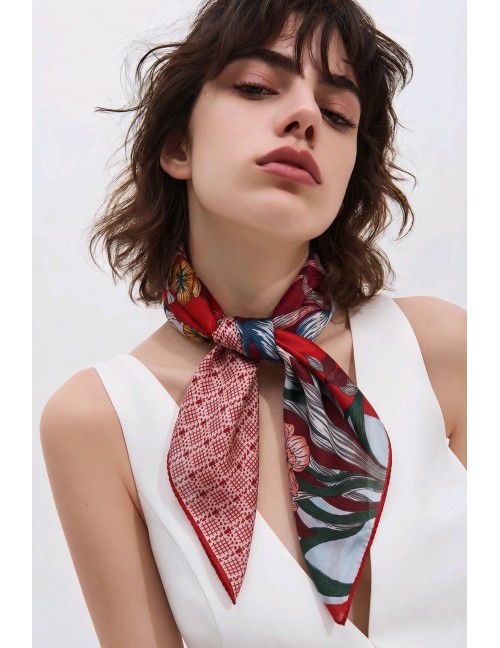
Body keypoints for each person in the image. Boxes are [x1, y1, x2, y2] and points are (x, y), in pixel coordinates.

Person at [40, 0, 466, 646]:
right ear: (178, 145)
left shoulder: (444, 353)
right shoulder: (101, 421)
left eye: (338, 114)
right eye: (257, 87)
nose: (305, 117)